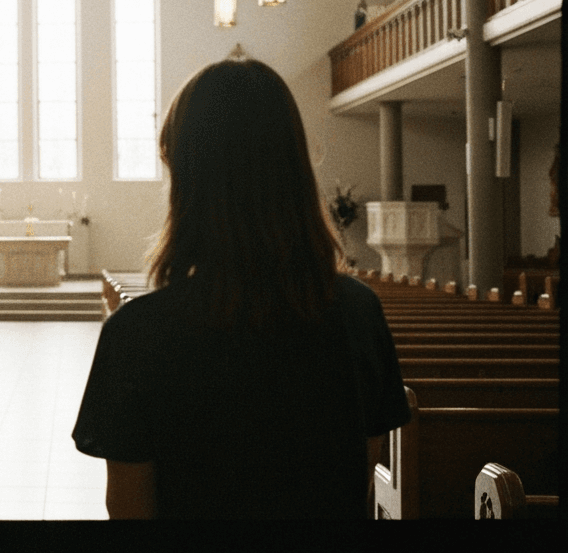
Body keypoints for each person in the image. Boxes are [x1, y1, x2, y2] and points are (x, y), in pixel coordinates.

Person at [72, 54, 411, 519]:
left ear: (187, 181)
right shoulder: (358, 313)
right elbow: (361, 473)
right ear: (294, 167)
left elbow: (131, 512)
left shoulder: (137, 334)